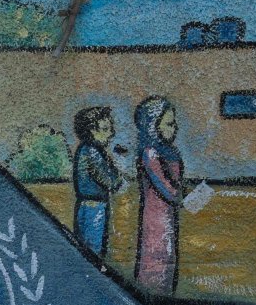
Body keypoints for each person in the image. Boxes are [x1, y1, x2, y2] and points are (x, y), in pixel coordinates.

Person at [132, 96, 184, 294]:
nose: (175, 128)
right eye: (169, 123)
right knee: (157, 256)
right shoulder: (150, 153)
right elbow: (165, 188)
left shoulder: (169, 152)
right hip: (156, 218)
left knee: (168, 256)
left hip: (168, 216)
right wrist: (184, 198)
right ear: (153, 125)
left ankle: (163, 295)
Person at [71, 106, 124, 259]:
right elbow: (108, 178)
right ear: (92, 131)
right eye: (106, 128)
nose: (111, 133)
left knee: (84, 245)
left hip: (85, 205)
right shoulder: (93, 151)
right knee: (93, 248)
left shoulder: (85, 149)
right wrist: (119, 179)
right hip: (94, 207)